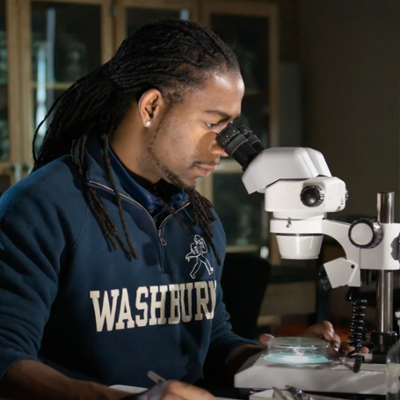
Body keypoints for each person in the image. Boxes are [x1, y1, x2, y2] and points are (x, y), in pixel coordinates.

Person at [0, 19, 348, 400]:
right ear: (151, 107)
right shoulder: (41, 206)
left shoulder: (200, 220)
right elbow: (7, 361)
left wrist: (275, 359)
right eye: (213, 123)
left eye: (231, 128)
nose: (222, 147)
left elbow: (212, 340)